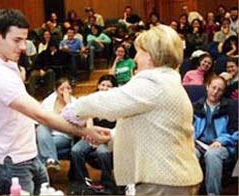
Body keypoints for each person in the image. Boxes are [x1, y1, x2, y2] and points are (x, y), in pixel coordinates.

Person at [0, 9, 109, 195]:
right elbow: (39, 114)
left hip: (28, 154)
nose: (23, 47)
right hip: (12, 163)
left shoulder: (8, 64)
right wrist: (86, 131)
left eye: (24, 39)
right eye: (17, 40)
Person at [62, 24, 203, 195]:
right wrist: (111, 136)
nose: (135, 57)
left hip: (163, 180)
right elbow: (151, 127)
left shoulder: (154, 81)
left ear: (151, 55)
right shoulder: (168, 81)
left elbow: (109, 101)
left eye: (139, 52)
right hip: (172, 178)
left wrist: (74, 110)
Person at [69, 74, 118, 194]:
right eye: (102, 85)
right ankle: (83, 183)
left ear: (114, 88)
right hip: (92, 135)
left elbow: (118, 127)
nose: (105, 88)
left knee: (102, 152)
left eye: (109, 86)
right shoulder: (92, 100)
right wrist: (91, 137)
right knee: (76, 150)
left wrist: (102, 140)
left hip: (109, 138)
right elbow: (88, 120)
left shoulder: (118, 103)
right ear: (98, 85)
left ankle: (107, 185)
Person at [193, 76, 238, 195]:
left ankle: (213, 194)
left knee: (212, 154)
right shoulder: (196, 106)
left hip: (222, 145)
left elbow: (236, 131)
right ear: (207, 87)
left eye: (220, 89)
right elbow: (189, 128)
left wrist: (221, 141)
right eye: (213, 87)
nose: (215, 92)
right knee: (191, 153)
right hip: (199, 143)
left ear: (223, 92)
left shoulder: (231, 107)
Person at [37, 78, 76, 171]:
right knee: (41, 128)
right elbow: (42, 118)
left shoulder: (75, 103)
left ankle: (40, 175)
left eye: (68, 88)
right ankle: (52, 161)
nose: (65, 92)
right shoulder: (49, 101)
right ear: (56, 91)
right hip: (47, 133)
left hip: (63, 135)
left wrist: (68, 104)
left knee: (40, 148)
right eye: (62, 89)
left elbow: (76, 122)